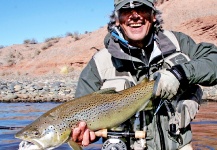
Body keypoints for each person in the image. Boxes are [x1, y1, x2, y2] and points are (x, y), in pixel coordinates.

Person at [71, 0, 217, 149]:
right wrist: (84, 135)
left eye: (142, 9)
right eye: (126, 10)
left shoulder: (178, 43)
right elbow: (79, 117)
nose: (135, 16)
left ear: (153, 15)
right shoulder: (99, 63)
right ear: (116, 19)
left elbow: (214, 61)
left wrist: (180, 73)